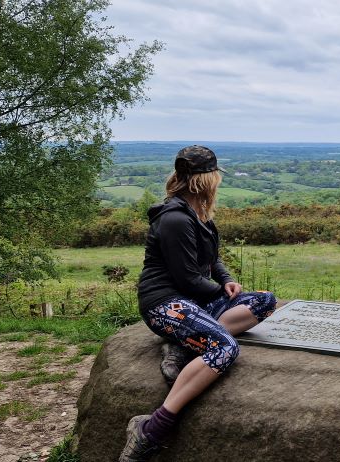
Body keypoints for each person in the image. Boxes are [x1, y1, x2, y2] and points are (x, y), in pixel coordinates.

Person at [120, 146, 277, 461]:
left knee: (265, 301)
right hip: (165, 303)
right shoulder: (175, 219)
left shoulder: (198, 214)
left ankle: (184, 344)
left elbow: (212, 258)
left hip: (191, 299)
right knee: (224, 348)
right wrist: (219, 294)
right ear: (205, 180)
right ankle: (150, 430)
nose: (218, 180)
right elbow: (187, 279)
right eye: (215, 175)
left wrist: (227, 280)